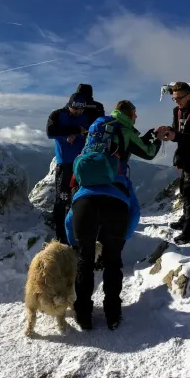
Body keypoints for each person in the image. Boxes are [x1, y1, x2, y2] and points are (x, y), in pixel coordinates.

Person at [65, 100, 162, 331]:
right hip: (116, 200)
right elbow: (148, 152)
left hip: (83, 201)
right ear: (130, 114)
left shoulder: (98, 127)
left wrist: (74, 241)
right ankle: (112, 313)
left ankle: (84, 315)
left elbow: (69, 218)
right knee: (112, 262)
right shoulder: (125, 129)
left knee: (85, 263)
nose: (136, 119)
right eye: (136, 115)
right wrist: (123, 237)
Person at [157, 82, 190, 245]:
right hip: (184, 155)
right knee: (184, 188)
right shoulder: (178, 111)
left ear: (188, 95)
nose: (177, 101)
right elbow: (178, 129)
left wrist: (176, 136)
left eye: (179, 98)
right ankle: (185, 219)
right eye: (174, 99)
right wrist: (169, 131)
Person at [46, 93, 91, 243]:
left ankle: (76, 230)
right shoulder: (57, 115)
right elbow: (50, 132)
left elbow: (91, 132)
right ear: (69, 104)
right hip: (65, 163)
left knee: (79, 196)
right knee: (62, 197)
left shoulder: (86, 117)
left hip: (81, 161)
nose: (78, 112)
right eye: (75, 108)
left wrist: (80, 133)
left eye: (81, 109)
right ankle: (60, 235)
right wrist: (73, 131)